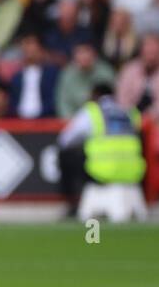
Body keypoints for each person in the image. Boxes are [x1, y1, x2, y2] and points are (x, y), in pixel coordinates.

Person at [57, 82, 147, 217]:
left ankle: (73, 203)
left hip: (103, 173)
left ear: (95, 95)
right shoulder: (131, 112)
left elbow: (65, 139)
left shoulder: (92, 111)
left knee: (66, 155)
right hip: (134, 173)